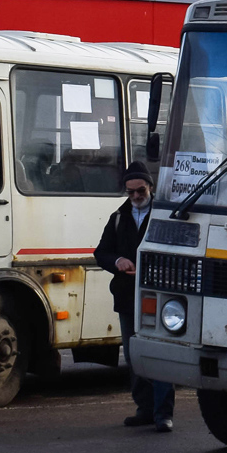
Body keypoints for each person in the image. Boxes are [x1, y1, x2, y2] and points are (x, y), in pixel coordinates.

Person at [94, 161, 174, 432]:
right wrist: (118, 261)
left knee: (159, 355)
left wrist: (150, 268)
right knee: (133, 355)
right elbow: (101, 252)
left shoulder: (165, 215)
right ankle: (145, 409)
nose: (136, 197)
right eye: (131, 192)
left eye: (140, 190)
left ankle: (163, 414)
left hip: (159, 296)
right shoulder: (118, 217)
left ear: (150, 187)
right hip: (128, 297)